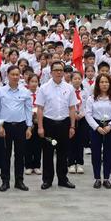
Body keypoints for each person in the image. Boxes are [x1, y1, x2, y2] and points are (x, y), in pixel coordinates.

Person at [36, 61, 77, 190]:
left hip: (64, 124)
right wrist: (40, 127)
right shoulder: (44, 88)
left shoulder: (69, 88)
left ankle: (63, 179)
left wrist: (72, 126)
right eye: (56, 70)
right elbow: (40, 109)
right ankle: (47, 180)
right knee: (48, 153)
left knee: (63, 153)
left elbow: (72, 108)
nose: (59, 72)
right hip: (49, 124)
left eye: (61, 70)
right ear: (51, 72)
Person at [0, 65, 33, 192]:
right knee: (5, 155)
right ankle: (5, 181)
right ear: (7, 76)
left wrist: (29, 127)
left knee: (20, 155)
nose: (15, 77)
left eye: (17, 75)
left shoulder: (25, 92)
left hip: (21, 126)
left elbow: (28, 110)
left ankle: (19, 181)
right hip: (6, 126)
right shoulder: (1, 91)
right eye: (12, 74)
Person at [85, 74, 111, 189]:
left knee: (108, 153)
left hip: (109, 126)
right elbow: (88, 115)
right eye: (102, 82)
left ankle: (106, 178)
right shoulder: (92, 99)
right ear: (98, 84)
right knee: (95, 153)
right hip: (96, 127)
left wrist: (110, 126)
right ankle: (97, 178)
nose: (104, 84)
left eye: (106, 82)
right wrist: (97, 127)